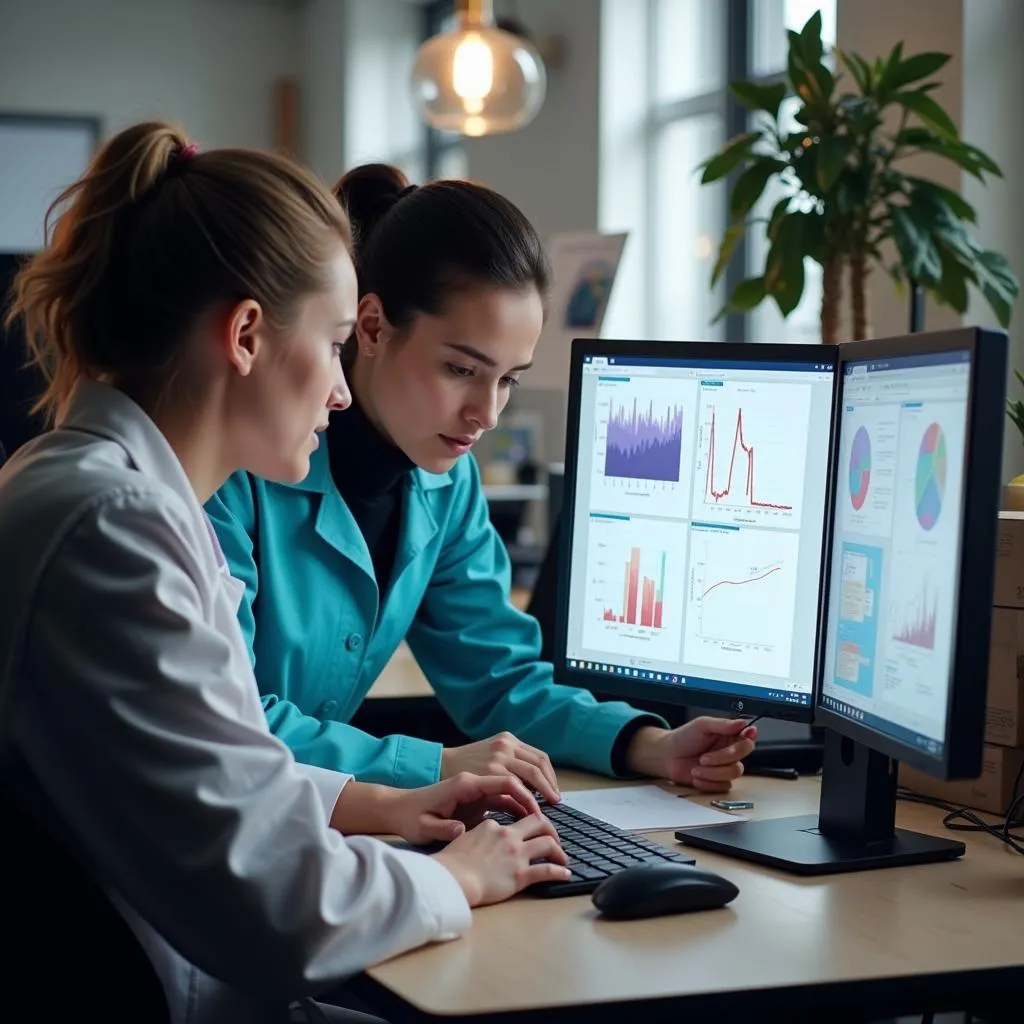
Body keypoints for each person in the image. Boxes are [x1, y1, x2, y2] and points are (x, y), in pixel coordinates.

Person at [0, 124, 571, 1024]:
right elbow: (275, 901)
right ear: (247, 335)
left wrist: (376, 803)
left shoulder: (107, 496)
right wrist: (453, 879)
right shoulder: (114, 529)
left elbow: (222, 772)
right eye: (339, 340)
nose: (342, 390)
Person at [206, 163, 758, 808]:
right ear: (372, 327)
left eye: (508, 379)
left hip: (301, 819)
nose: (486, 413)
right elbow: (232, 722)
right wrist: (435, 766)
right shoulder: (236, 469)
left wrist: (648, 745)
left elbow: (497, 677)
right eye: (462, 368)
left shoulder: (448, 483)